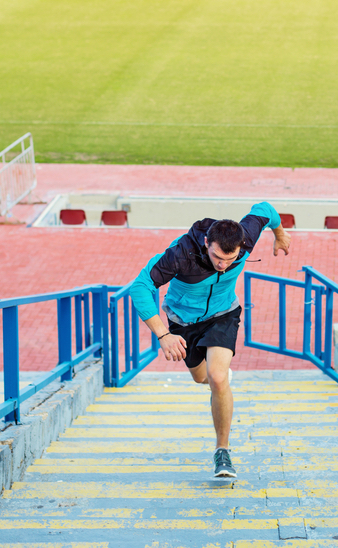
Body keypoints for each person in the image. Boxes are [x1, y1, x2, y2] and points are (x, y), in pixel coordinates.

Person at [129, 202, 291, 477]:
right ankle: (217, 378)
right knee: (201, 377)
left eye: (231, 259)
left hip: (223, 314)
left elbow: (265, 209)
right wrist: (163, 334)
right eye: (217, 257)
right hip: (183, 321)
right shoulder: (180, 255)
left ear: (241, 245)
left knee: (217, 377)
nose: (223, 265)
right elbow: (140, 286)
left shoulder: (245, 236)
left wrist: (280, 233)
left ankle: (222, 452)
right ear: (206, 243)